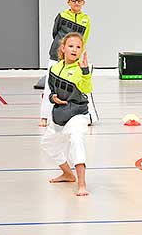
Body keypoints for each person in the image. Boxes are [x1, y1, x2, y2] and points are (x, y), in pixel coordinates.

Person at [40, 32, 92, 196]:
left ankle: (82, 184)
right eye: (71, 46)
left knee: (76, 140)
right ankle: (68, 174)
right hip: (59, 115)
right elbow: (51, 91)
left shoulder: (81, 69)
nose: (75, 49)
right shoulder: (54, 68)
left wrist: (84, 71)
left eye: (78, 47)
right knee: (48, 144)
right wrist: (53, 97)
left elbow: (86, 89)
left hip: (77, 114)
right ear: (63, 48)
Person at [39, 0, 94, 127]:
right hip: (56, 56)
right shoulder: (62, 15)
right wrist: (61, 50)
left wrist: (76, 55)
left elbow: (83, 39)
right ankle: (44, 117)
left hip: (74, 60)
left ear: (83, 2)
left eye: (79, 1)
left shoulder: (86, 19)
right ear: (68, 2)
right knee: (49, 87)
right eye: (73, 1)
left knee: (80, 86)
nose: (76, 3)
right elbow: (55, 32)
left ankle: (88, 116)